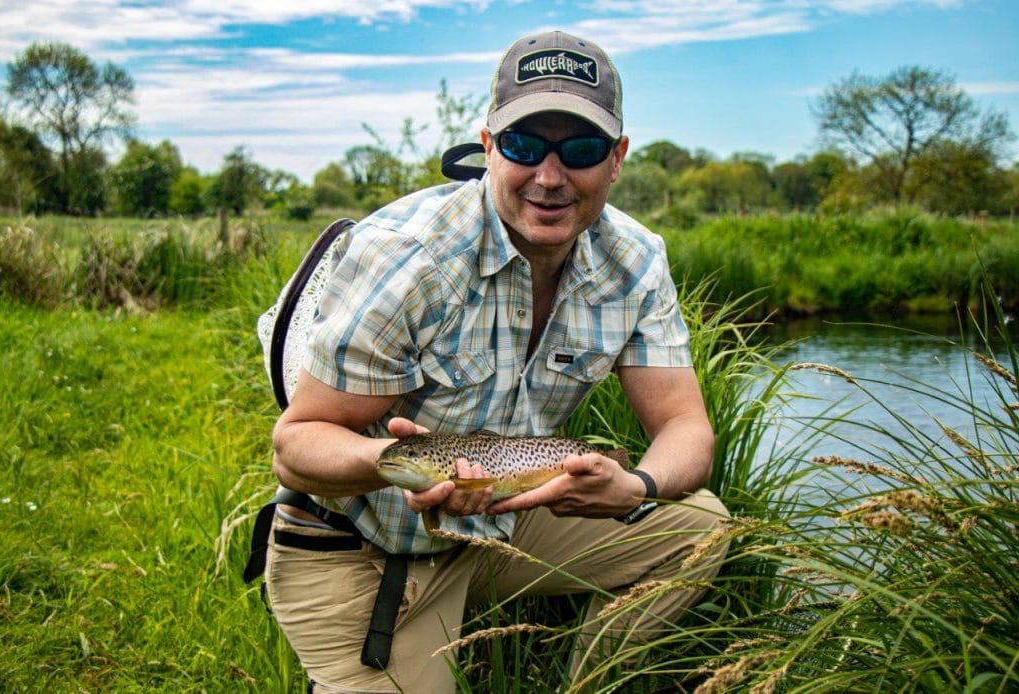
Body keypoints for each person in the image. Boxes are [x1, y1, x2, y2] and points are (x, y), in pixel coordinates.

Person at [264, 29, 729, 693]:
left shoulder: (637, 261)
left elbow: (687, 430)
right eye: (522, 145)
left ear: (617, 158)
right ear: (488, 147)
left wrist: (639, 487)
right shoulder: (408, 259)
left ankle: (585, 683)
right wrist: (398, 467)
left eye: (582, 150)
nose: (549, 176)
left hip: (498, 523)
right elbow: (296, 445)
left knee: (699, 528)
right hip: (364, 549)